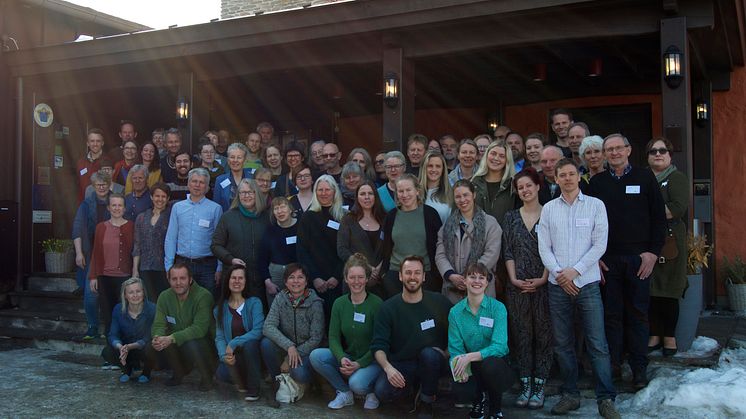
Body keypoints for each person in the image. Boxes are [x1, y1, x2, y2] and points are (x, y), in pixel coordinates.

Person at [538, 159, 619, 418]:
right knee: (562, 344)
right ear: (557, 179)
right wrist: (561, 275)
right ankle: (570, 395)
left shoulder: (596, 206)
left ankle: (605, 399)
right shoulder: (549, 209)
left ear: (579, 176)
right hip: (557, 286)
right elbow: (544, 247)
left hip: (588, 283)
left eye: (572, 174)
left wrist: (575, 272)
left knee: (597, 343)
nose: (568, 178)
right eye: (563, 175)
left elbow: (600, 245)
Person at [588, 134, 666, 389]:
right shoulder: (597, 183)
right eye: (608, 150)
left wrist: (653, 253)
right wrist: (594, 257)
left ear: (628, 150)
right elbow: (588, 224)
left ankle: (639, 369)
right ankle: (614, 367)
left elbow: (658, 218)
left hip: (638, 260)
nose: (613, 153)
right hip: (607, 260)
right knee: (611, 316)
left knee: (638, 316)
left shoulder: (645, 178)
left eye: (618, 148)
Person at [370, 255, 452, 418]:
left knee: (429, 355)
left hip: (433, 362)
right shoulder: (388, 308)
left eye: (417, 273)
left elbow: (458, 331)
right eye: (408, 273)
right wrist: (388, 369)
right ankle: (414, 388)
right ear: (400, 276)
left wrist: (447, 352)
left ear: (423, 276)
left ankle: (426, 402)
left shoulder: (439, 302)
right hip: (403, 363)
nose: (412, 277)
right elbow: (378, 346)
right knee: (382, 391)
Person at [502, 168, 552, 409]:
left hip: (544, 284)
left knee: (543, 335)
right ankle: (525, 384)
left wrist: (543, 278)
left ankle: (540, 384)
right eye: (520, 187)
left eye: (528, 185)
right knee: (522, 335)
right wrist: (513, 279)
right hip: (518, 285)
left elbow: (554, 249)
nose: (525, 190)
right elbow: (508, 251)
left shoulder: (551, 213)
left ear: (538, 186)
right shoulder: (511, 217)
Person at [310, 254, 384, 410]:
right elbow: (333, 337)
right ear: (345, 278)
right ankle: (344, 393)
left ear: (366, 279)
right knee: (316, 356)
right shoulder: (339, 303)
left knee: (357, 384)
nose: (356, 282)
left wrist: (359, 364)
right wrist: (342, 357)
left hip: (373, 360)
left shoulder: (377, 304)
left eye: (360, 277)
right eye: (352, 277)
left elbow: (380, 343)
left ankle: (371, 391)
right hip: (350, 356)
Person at [448, 262, 514, 419]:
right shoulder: (455, 312)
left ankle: (495, 408)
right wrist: (459, 365)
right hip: (471, 365)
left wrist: (470, 356)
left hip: (495, 363)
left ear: (486, 283)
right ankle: (478, 399)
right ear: (464, 281)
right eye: (472, 277)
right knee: (460, 388)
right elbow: (455, 348)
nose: (476, 281)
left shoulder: (498, 308)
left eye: (481, 277)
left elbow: (500, 347)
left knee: (490, 365)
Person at [645, 137, 689, 357]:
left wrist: (647, 212)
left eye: (663, 150)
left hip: (671, 239)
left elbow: (678, 208)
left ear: (670, 155)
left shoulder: (676, 178)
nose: (658, 154)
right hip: (647, 238)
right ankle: (654, 333)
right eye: (653, 151)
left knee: (669, 290)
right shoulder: (643, 178)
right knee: (651, 288)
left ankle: (669, 336)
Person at [261, 263, 324, 401]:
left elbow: (316, 338)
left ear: (306, 281)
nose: (296, 281)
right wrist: (289, 346)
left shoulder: (315, 303)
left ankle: (309, 383)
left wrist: (289, 359)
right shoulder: (280, 298)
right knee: (266, 344)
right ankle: (277, 381)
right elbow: (268, 326)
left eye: (300, 277)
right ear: (285, 281)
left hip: (306, 351)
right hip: (287, 348)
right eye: (291, 277)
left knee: (298, 373)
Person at [149, 262, 217, 391]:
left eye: (182, 278)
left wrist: (171, 338)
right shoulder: (164, 296)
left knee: (192, 344)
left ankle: (207, 375)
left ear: (190, 279)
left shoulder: (203, 296)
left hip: (204, 343)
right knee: (154, 345)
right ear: (168, 280)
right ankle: (179, 372)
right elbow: (158, 324)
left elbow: (199, 329)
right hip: (179, 340)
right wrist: (157, 338)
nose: (178, 283)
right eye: (174, 279)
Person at [436, 179, 502, 303]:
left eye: (465, 195)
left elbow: (492, 254)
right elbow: (440, 254)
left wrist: (470, 277)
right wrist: (450, 275)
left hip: (481, 287)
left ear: (474, 195)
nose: (462, 200)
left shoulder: (490, 223)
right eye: (458, 197)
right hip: (452, 289)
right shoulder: (447, 225)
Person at [212, 179, 270, 309]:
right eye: (242, 192)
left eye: (250, 192)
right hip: (235, 279)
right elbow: (215, 245)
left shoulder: (266, 217)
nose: (246, 196)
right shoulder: (228, 217)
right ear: (238, 196)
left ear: (257, 194)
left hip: (260, 280)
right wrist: (230, 259)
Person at [381, 174, 443, 297]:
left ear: (417, 191)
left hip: (425, 275)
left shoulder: (430, 214)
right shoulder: (391, 216)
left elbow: (440, 245)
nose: (405, 195)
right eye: (401, 191)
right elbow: (386, 246)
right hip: (395, 275)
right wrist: (384, 273)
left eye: (408, 190)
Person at [164, 168, 223, 295]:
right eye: (194, 181)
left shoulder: (215, 209)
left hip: (207, 266)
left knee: (207, 303)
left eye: (201, 182)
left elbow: (219, 241)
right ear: (188, 184)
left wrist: (220, 267)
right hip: (182, 264)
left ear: (207, 187)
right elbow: (171, 238)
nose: (197, 185)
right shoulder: (178, 208)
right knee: (183, 301)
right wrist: (169, 266)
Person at [297, 175, 347, 318]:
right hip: (315, 280)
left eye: (327, 189)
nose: (324, 193)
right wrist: (315, 277)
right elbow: (302, 251)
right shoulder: (308, 217)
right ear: (315, 192)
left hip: (338, 279)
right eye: (320, 190)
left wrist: (337, 276)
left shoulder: (343, 216)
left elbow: (346, 249)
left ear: (334, 191)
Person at [214, 265, 265, 401]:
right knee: (221, 373)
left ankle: (254, 389)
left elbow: (258, 330)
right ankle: (241, 382)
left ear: (246, 281)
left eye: (240, 278)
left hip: (253, 354)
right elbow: (219, 337)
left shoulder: (254, 303)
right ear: (228, 281)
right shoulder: (219, 308)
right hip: (235, 356)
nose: (237, 281)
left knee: (250, 344)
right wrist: (224, 356)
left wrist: (234, 342)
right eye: (233, 278)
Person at [72, 171, 111, 340]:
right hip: (92, 254)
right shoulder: (86, 204)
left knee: (111, 292)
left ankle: (111, 329)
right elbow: (78, 228)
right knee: (90, 292)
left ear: (109, 185)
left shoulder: (116, 201)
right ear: (93, 187)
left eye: (104, 184)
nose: (101, 187)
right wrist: (79, 252)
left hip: (112, 253)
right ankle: (93, 327)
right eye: (98, 185)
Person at [89, 193, 135, 335]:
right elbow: (96, 252)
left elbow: (136, 251)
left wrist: (134, 274)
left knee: (124, 312)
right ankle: (111, 347)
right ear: (108, 208)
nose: (116, 208)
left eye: (120, 205)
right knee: (107, 313)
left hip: (124, 277)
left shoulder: (131, 227)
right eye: (113, 205)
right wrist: (93, 276)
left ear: (124, 208)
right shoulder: (100, 227)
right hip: (104, 276)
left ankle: (125, 347)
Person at [101, 277, 156, 383]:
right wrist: (120, 347)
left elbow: (150, 335)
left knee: (152, 347)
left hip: (143, 347)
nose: (135, 295)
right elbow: (113, 334)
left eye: (138, 291)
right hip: (126, 348)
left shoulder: (152, 309)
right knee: (107, 351)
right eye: (131, 292)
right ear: (125, 296)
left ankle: (146, 372)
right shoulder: (118, 309)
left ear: (143, 292)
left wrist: (131, 346)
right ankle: (126, 370)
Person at [337, 181, 386, 295]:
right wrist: (366, 267)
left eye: (370, 193)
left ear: (376, 196)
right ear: (357, 197)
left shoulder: (385, 219)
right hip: (355, 281)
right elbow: (342, 249)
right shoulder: (348, 219)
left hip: (380, 280)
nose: (367, 197)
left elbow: (390, 248)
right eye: (362, 194)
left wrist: (379, 269)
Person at [133, 183, 171, 302]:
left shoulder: (171, 216)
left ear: (168, 198)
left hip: (164, 268)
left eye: (163, 196)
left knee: (164, 301)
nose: (160, 199)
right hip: (145, 267)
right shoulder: (142, 217)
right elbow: (137, 244)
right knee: (149, 301)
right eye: (157, 196)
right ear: (151, 197)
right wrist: (135, 269)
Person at [257, 197, 299, 306]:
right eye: (276, 208)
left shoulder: (301, 227)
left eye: (283, 207)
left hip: (297, 275)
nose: (280, 211)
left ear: (290, 209)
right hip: (275, 276)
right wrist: (267, 281)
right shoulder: (270, 230)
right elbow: (262, 258)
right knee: (276, 310)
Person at [472, 140, 517, 228]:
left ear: (507, 160)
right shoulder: (474, 183)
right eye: (493, 153)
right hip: (477, 237)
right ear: (487, 155)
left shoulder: (512, 185)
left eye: (502, 156)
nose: (496, 158)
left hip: (505, 237)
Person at [213, 143, 253, 212]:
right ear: (228, 160)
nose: (235, 160)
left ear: (245, 160)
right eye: (232, 157)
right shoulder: (220, 180)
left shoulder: (252, 178)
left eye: (239, 157)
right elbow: (217, 206)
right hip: (227, 221)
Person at [419, 151, 452, 224]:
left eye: (438, 166)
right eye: (430, 166)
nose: (434, 170)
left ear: (443, 169)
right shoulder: (415, 193)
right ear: (424, 168)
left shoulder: (451, 193)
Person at [77, 128, 104, 203]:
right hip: (84, 205)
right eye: (92, 141)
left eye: (98, 141)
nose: (95, 144)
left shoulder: (108, 162)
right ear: (87, 143)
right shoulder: (81, 162)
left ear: (102, 143)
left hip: (102, 206)